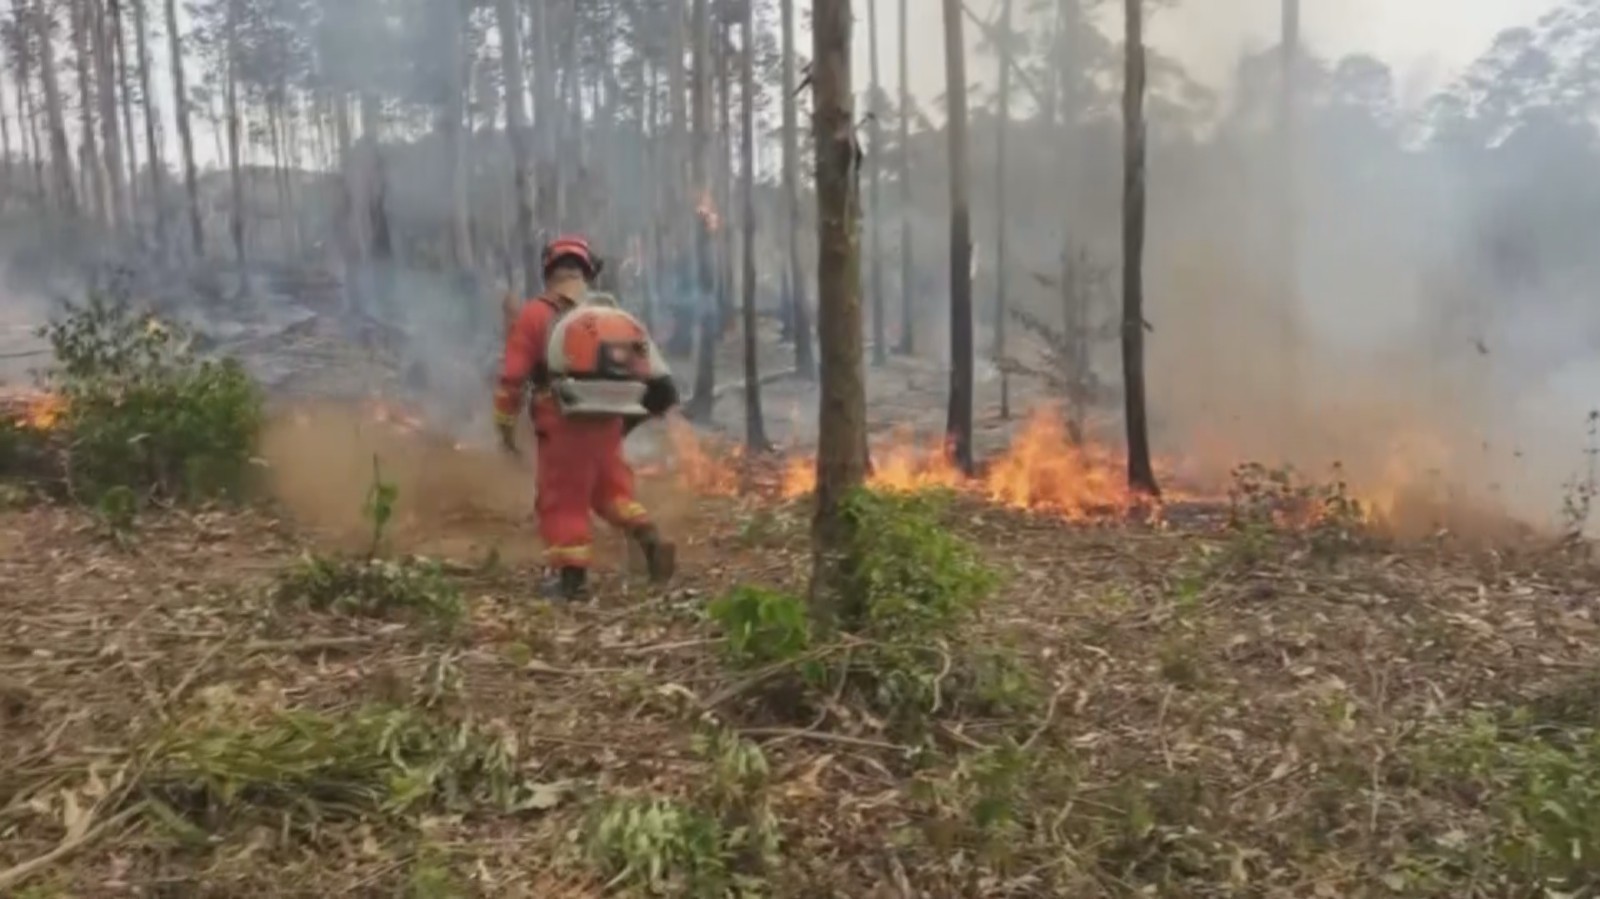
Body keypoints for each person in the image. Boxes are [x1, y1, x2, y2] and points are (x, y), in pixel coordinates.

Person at [494, 234, 680, 600]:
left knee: (562, 497)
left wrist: (503, 422)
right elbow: (655, 379)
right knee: (611, 489)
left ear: (550, 270)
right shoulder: (613, 317)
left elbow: (513, 376)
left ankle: (571, 579)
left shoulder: (536, 314)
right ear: (587, 271)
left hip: (562, 420)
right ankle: (649, 537)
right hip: (609, 417)